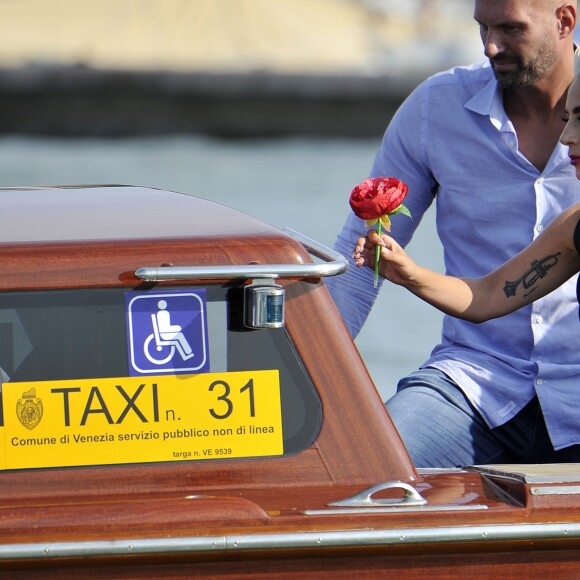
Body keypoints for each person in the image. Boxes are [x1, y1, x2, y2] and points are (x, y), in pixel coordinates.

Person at [326, 0, 580, 467]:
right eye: (482, 26)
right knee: (370, 471)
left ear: (564, 21)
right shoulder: (433, 109)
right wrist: (307, 384)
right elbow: (360, 261)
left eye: (510, 28)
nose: (490, 45)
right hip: (475, 380)